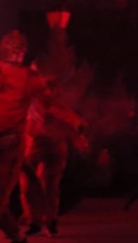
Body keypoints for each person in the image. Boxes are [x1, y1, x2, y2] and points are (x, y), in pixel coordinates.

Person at [0, 30, 51, 243]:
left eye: (16, 49)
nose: (13, 53)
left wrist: (44, 118)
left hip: (9, 148)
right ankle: (16, 235)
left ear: (21, 53)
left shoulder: (30, 78)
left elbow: (48, 105)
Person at [20, 94, 88, 237]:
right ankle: (35, 220)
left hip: (55, 148)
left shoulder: (58, 107)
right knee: (29, 184)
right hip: (35, 146)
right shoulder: (30, 104)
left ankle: (49, 221)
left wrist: (81, 144)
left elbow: (73, 124)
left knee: (50, 185)